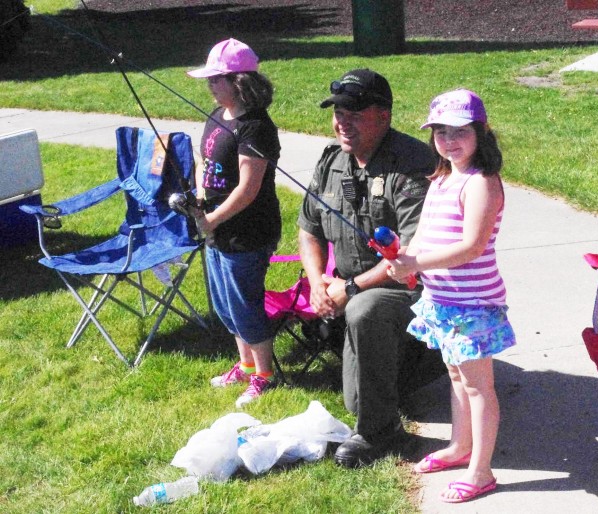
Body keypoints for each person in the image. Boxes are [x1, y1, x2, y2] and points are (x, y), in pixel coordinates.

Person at [297, 68, 445, 468]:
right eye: (338, 111)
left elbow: (412, 250)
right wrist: (315, 284)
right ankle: (389, 381)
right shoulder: (332, 161)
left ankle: (380, 433)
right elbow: (308, 228)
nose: (343, 121)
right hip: (355, 293)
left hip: (410, 292)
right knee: (355, 400)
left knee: (365, 309)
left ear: (384, 115)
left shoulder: (413, 164)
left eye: (355, 113)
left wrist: (351, 289)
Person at [385, 89, 515, 503]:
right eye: (440, 131)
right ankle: (460, 447)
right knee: (457, 377)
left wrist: (418, 264)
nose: (449, 140)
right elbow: (422, 233)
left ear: (481, 132)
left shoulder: (481, 182)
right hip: (442, 301)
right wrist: (404, 261)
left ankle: (481, 471)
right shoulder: (443, 177)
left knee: (479, 387)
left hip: (473, 304)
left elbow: (472, 247)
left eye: (460, 131)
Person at [187, 38, 282, 408]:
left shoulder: (256, 127)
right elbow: (203, 161)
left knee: (244, 304)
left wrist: (210, 219)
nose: (210, 86)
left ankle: (264, 375)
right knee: (225, 304)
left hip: (247, 230)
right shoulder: (216, 115)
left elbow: (248, 188)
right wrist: (199, 200)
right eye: (209, 80)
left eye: (216, 79)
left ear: (239, 81)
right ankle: (244, 365)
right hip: (215, 225)